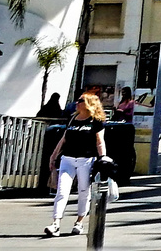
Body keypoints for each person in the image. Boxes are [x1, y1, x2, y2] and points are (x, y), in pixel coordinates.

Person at [44, 91, 107, 238]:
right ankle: (56, 223)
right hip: (68, 158)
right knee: (62, 190)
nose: (77, 103)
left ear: (88, 104)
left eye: (81, 101)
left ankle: (79, 221)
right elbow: (64, 138)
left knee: (84, 191)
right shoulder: (73, 119)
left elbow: (100, 141)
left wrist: (103, 158)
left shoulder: (95, 121)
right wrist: (53, 156)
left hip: (86, 159)